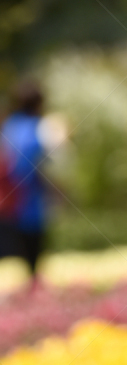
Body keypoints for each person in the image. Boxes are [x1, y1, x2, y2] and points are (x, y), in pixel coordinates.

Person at [0, 80, 49, 286]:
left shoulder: (8, 126)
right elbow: (37, 168)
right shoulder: (37, 129)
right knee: (32, 255)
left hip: (8, 199)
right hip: (29, 200)